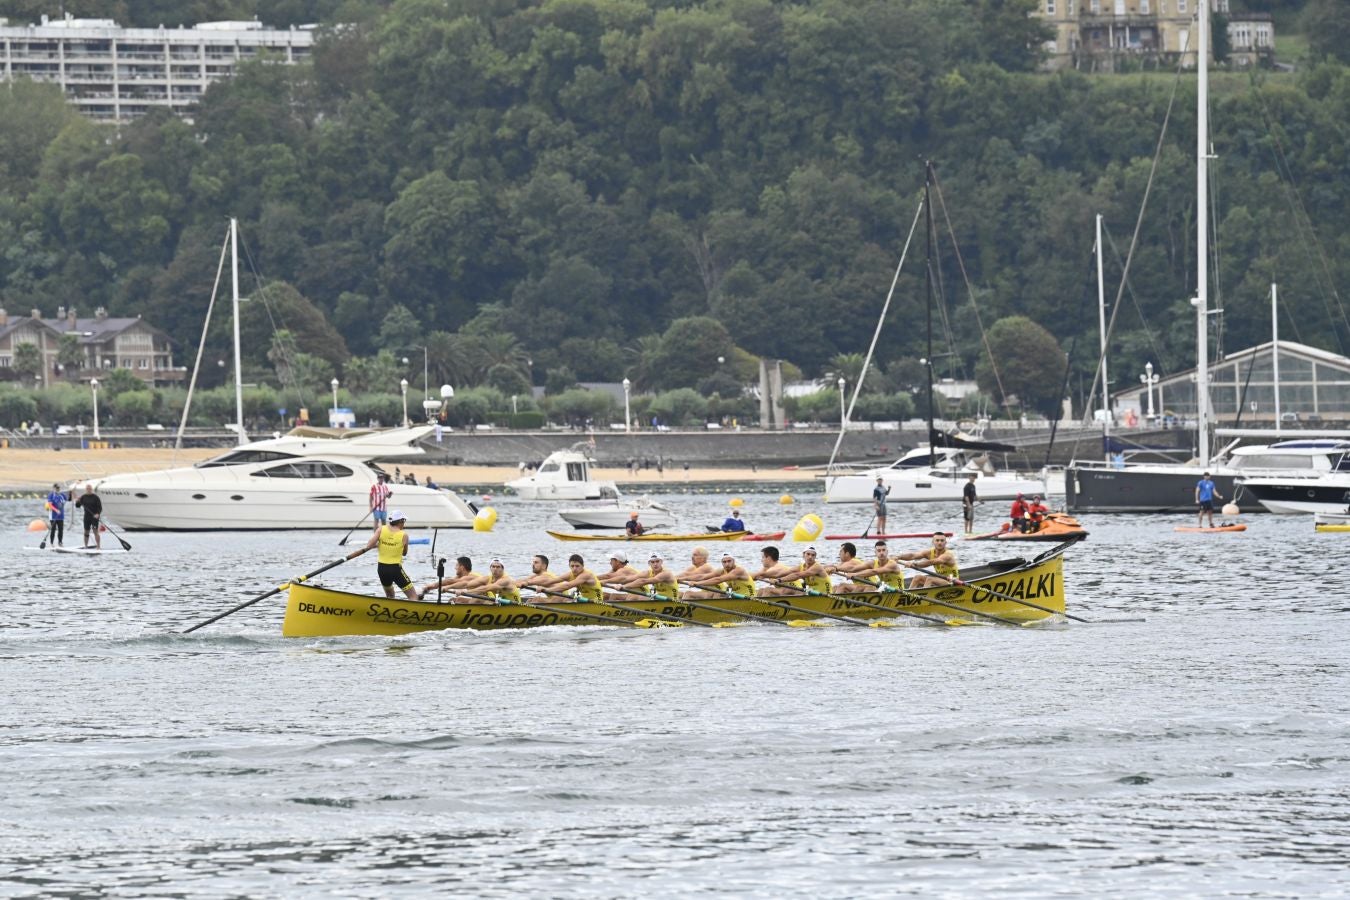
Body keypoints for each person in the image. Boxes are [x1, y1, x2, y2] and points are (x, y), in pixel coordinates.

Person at [347, 509, 418, 601]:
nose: (404, 524)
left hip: (382, 569)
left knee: (390, 596)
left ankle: (388, 612)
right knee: (413, 596)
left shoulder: (381, 529)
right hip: (395, 569)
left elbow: (369, 545)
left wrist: (382, 544)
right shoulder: (404, 535)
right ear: (400, 521)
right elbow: (404, 553)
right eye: (404, 521)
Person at [684, 553, 757, 599]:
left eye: (729, 561)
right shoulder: (722, 570)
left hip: (748, 597)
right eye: (724, 562)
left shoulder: (738, 570)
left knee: (717, 593)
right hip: (736, 596)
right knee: (717, 593)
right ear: (722, 563)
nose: (727, 564)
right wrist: (679, 579)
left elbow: (718, 580)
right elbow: (702, 577)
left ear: (734, 561)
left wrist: (697, 583)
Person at [74, 484, 102, 549]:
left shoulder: (96, 497)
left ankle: (98, 546)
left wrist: (98, 514)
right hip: (87, 516)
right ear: (86, 489)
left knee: (95, 530)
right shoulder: (83, 497)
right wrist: (77, 501)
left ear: (91, 489)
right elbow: (77, 506)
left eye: (90, 488)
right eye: (87, 488)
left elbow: (100, 507)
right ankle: (86, 546)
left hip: (94, 516)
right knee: (86, 531)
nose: (89, 489)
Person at [45, 483, 67, 547]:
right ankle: (51, 543)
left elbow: (67, 499)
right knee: (53, 529)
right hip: (53, 516)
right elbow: (50, 505)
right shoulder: (51, 495)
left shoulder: (62, 495)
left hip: (61, 516)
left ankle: (60, 543)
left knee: (61, 530)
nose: (58, 489)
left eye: (58, 488)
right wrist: (56, 510)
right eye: (56, 488)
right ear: (53, 488)